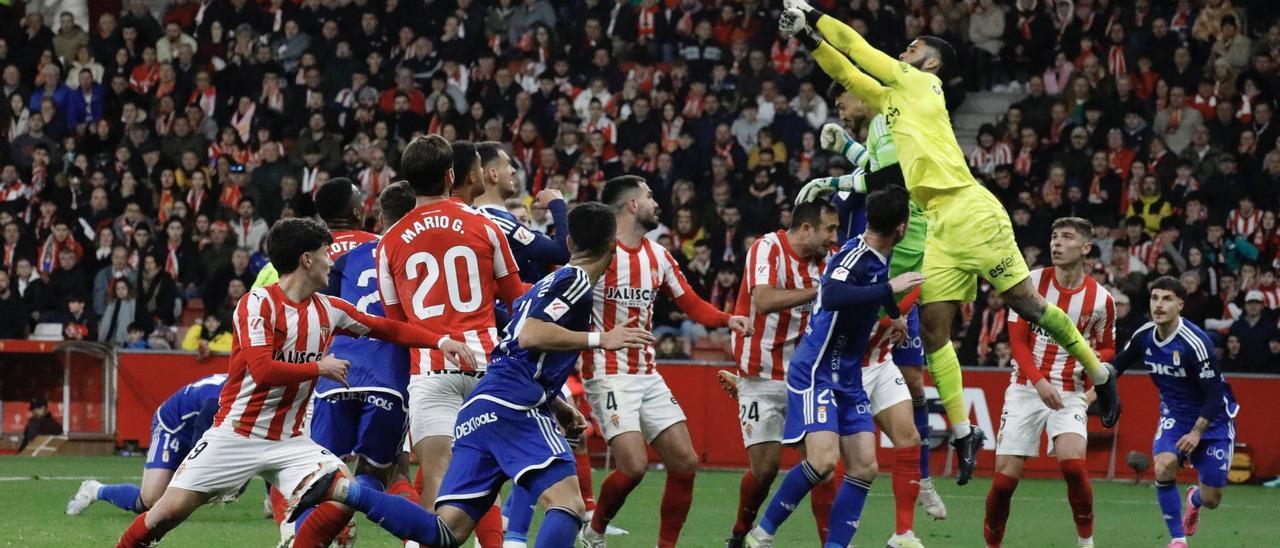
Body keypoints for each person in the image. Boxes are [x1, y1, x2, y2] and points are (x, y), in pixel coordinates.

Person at [779, 0, 1119, 484]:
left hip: (971, 209)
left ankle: (1100, 375)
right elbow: (849, 74)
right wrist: (808, 40)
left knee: (1024, 303)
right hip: (937, 220)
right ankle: (963, 432)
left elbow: (855, 46)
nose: (905, 50)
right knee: (935, 331)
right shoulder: (896, 95)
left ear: (931, 63)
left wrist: (813, 15)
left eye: (913, 47)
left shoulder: (920, 82)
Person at [288, 202, 650, 547]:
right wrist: (601, 338)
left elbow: (514, 350)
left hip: (484, 403)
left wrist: (556, 405)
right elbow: (530, 335)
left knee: (446, 531)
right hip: (513, 403)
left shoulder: (542, 287)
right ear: (613, 247)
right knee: (569, 505)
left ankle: (346, 490)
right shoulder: (576, 279)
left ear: (569, 242)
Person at [113, 217, 476, 547]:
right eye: (325, 254)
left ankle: (438, 538)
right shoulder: (257, 304)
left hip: (291, 440)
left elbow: (385, 327)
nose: (331, 261)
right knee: (165, 514)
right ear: (306, 259)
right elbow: (262, 370)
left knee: (349, 491)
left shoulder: (328, 308)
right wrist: (320, 368)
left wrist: (440, 341)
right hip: (236, 434)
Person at [796, 81, 948, 522]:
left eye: (842, 101)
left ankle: (922, 478)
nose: (840, 110)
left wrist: (842, 153)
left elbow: (885, 173)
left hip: (896, 291)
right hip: (856, 301)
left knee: (916, 383)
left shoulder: (888, 133)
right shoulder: (854, 194)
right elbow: (832, 233)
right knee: (841, 452)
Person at [744, 185, 923, 548]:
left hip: (848, 374)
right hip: (815, 372)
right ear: (902, 228)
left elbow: (872, 290)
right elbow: (834, 293)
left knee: (864, 467)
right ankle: (761, 534)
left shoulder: (880, 252)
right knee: (824, 462)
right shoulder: (854, 255)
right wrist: (890, 287)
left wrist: (893, 315)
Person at [578, 176, 751, 548]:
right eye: (650, 197)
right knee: (634, 466)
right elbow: (565, 300)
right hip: (608, 375)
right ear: (631, 205)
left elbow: (690, 303)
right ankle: (594, 531)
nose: (657, 203)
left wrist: (726, 319)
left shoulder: (659, 255)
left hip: (647, 374)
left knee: (685, 461)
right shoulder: (597, 252)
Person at [374, 135, 526, 543]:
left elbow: (396, 325)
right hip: (485, 368)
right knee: (485, 481)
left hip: (430, 369)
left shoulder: (389, 241)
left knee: (436, 486)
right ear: (450, 175)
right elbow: (516, 299)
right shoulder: (485, 225)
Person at [298, 181, 420, 547]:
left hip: (333, 371)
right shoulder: (400, 251)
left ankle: (301, 538)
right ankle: (416, 540)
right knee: (384, 472)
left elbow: (313, 307)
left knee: (318, 473)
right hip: (388, 375)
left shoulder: (323, 255)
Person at [984, 218, 1117, 548]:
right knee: (1004, 482)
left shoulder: (1102, 300)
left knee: (1073, 465)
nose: (1056, 243)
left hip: (1070, 393)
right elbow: (1017, 342)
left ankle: (1086, 543)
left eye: (1067, 237)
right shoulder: (1030, 283)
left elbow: (1109, 347)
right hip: (1026, 388)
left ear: (1085, 248)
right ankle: (993, 544)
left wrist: (1087, 384)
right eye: (1054, 236)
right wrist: (1040, 382)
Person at [716, 200, 840, 546]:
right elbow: (765, 300)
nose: (834, 237)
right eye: (829, 229)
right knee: (765, 470)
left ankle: (831, 543)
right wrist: (822, 292)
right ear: (805, 229)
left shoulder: (830, 259)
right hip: (760, 374)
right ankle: (741, 531)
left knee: (823, 466)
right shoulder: (766, 248)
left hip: (806, 377)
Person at [1107, 277, 1240, 548]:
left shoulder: (1196, 342)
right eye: (1155, 298)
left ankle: (1194, 500)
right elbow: (1114, 368)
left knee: (1212, 498)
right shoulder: (1144, 334)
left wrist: (1196, 432)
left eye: (1166, 299)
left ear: (1180, 305)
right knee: (1164, 466)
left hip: (1213, 419)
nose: (1159, 304)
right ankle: (1178, 539)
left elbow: (1214, 396)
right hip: (1175, 415)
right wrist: (1084, 399)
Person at [66, 375, 226, 516]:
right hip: (172, 426)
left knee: (180, 497)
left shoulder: (242, 386)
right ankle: (94, 490)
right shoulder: (222, 397)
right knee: (151, 500)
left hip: (194, 427)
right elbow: (201, 436)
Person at [471, 141, 571, 284]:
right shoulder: (499, 223)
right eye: (507, 164)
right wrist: (557, 204)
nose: (513, 170)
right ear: (493, 174)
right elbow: (563, 252)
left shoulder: (474, 216)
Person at [252, 177, 377, 289]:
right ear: (356, 213)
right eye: (360, 201)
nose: (364, 205)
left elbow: (256, 306)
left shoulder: (291, 259)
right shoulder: (382, 245)